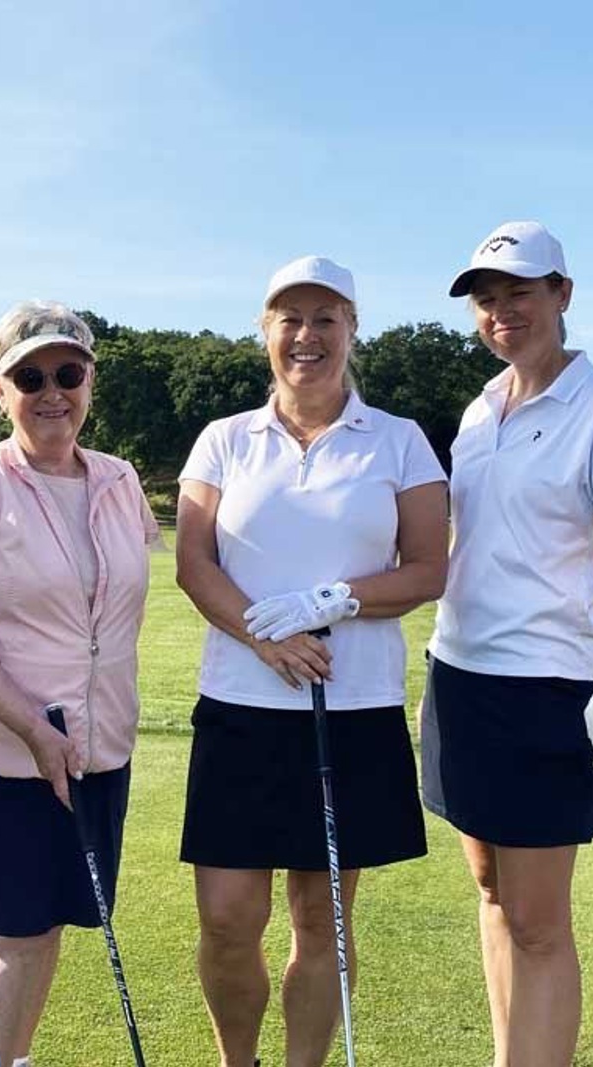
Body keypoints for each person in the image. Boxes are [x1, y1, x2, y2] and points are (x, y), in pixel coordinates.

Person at [175, 256, 450, 1067]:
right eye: (289, 318)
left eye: (325, 318)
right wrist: (263, 635)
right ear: (265, 331)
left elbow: (426, 569)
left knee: (321, 918)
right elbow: (193, 562)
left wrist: (333, 599)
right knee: (227, 918)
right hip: (240, 707)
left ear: (352, 329)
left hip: (352, 708)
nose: (307, 335)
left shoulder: (398, 440)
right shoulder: (226, 439)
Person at [422, 221, 593, 1067]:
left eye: (518, 291)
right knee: (491, 890)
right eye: (486, 299)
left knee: (539, 920)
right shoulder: (479, 409)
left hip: (548, 684)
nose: (501, 311)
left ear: (562, 293)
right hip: (460, 675)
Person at [0, 300, 160, 1067]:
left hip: (100, 745)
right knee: (19, 932)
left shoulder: (121, 480)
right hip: (5, 750)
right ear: (1, 390)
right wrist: (31, 726)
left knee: (50, 921)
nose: (52, 391)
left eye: (68, 372)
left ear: (90, 380)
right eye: (30, 377)